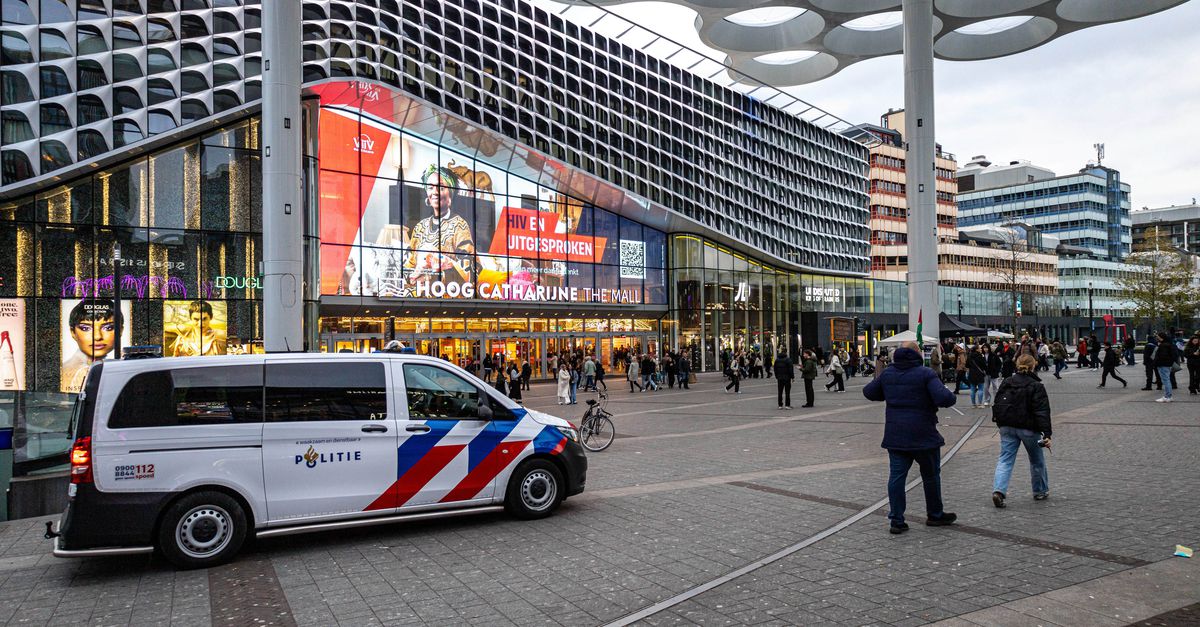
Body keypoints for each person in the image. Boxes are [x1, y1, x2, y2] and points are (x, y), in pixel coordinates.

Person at [863, 341, 957, 534]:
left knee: (897, 477)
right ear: (917, 353)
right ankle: (935, 514)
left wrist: (889, 393)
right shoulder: (925, 373)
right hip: (924, 434)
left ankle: (897, 520)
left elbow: (869, 392)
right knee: (931, 476)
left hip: (896, 434)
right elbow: (944, 398)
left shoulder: (889, 373)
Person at [991, 354, 1052, 507]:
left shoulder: (1007, 382)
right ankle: (1040, 491)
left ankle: (998, 491)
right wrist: (1047, 434)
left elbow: (997, 402)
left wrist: (999, 422)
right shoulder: (1036, 385)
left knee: (1005, 459)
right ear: (1034, 365)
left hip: (1007, 426)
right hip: (1029, 428)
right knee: (1037, 460)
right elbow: (1042, 411)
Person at [405, 165, 475, 287]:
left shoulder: (459, 225)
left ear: (451, 194)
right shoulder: (420, 227)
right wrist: (413, 274)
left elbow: (469, 270)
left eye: (441, 187)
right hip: (416, 296)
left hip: (446, 296)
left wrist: (441, 267)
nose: (435, 192)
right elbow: (407, 267)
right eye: (430, 188)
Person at [62, 299, 123, 393]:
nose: (97, 336)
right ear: (73, 332)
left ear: (121, 330)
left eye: (108, 328)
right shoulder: (82, 371)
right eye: (85, 328)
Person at [1152, 332, 1179, 402]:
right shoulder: (1169, 344)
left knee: (1166, 380)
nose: (1157, 338)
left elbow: (1162, 356)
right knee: (1167, 380)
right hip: (1168, 364)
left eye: (1158, 337)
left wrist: (1156, 361)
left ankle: (1167, 396)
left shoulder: (1163, 345)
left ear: (1161, 337)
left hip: (1163, 365)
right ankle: (1169, 396)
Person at [967, 344, 988, 408]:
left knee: (972, 389)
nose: (981, 349)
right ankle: (980, 404)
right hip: (979, 374)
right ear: (977, 349)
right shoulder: (980, 356)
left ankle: (973, 404)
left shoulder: (969, 356)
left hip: (972, 374)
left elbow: (967, 365)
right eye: (980, 348)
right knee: (980, 389)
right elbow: (984, 365)